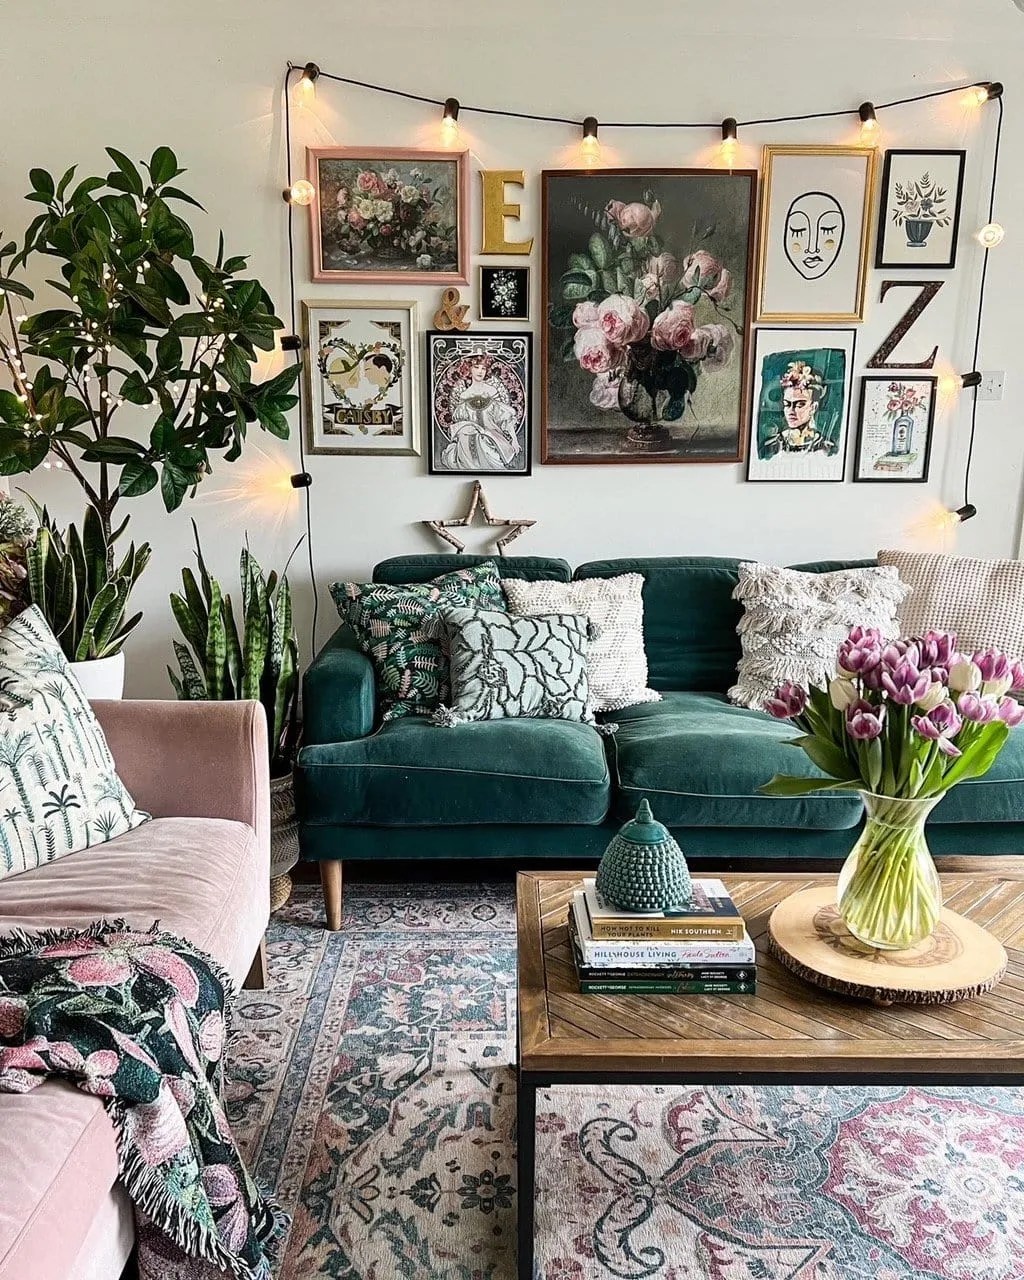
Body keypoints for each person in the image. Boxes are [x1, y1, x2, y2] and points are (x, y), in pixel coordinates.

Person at [441, 355, 522, 471]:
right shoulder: (464, 395)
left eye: (483, 368)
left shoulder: (492, 391)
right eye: (476, 367)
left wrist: (514, 439)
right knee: (467, 439)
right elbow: (460, 423)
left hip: (493, 438)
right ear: (469, 368)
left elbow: (504, 418)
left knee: (485, 445)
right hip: (468, 438)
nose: (480, 371)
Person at [760, 360, 836, 458]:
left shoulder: (827, 449)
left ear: (813, 407)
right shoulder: (770, 446)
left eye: (799, 405)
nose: (791, 411)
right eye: (787, 404)